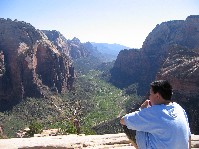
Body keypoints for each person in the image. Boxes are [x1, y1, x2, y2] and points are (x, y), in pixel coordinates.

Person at [120, 80, 191, 149]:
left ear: (157, 96)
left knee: (133, 125)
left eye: (150, 94)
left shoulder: (153, 113)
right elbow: (189, 136)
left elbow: (123, 120)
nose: (149, 97)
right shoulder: (179, 108)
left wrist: (142, 110)